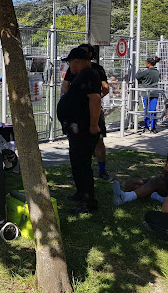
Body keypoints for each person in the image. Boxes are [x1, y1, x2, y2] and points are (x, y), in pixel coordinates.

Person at [57, 47, 102, 214]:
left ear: (77, 61)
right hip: (75, 127)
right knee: (76, 163)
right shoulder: (81, 76)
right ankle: (81, 193)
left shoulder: (89, 75)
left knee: (82, 165)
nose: (69, 66)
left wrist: (93, 125)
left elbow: (95, 100)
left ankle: (88, 203)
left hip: (83, 128)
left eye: (70, 62)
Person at [61, 44, 112, 181]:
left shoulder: (95, 71)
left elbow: (103, 90)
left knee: (98, 141)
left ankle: (101, 170)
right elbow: (65, 88)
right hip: (76, 117)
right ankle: (77, 172)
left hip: (91, 115)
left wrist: (91, 101)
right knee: (76, 146)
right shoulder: (73, 71)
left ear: (89, 55)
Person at [135, 56, 161, 133]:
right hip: (155, 92)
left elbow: (137, 76)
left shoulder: (147, 71)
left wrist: (139, 71)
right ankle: (153, 127)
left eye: (146, 63)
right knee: (153, 110)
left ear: (149, 64)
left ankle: (146, 127)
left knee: (146, 109)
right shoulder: (157, 72)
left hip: (146, 93)